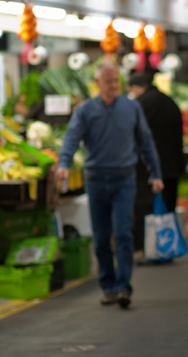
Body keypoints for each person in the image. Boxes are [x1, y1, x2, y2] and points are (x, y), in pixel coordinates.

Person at [57, 62, 163, 309]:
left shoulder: (131, 108)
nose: (113, 86)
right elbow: (72, 137)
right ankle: (108, 287)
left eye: (116, 81)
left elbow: (146, 142)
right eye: (108, 81)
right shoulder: (85, 111)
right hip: (95, 179)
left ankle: (123, 286)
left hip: (125, 178)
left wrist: (155, 173)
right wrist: (64, 162)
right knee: (102, 236)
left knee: (124, 232)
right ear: (98, 83)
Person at [127, 73, 184, 263]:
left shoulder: (140, 105)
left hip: (148, 168)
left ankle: (150, 251)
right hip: (173, 165)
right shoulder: (170, 102)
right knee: (167, 209)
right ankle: (168, 250)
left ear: (136, 87)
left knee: (147, 210)